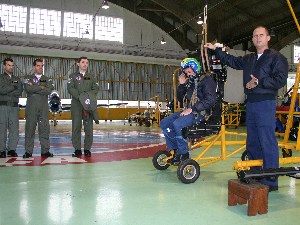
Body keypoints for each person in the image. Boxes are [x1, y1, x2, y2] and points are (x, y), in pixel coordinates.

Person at [205, 26, 288, 191]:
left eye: (261, 35)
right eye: (255, 36)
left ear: (268, 38)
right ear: (253, 39)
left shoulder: (277, 58)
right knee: (252, 141)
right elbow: (233, 62)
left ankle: (271, 181)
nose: (258, 38)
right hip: (250, 103)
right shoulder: (249, 58)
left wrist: (259, 82)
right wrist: (216, 51)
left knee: (267, 141)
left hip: (265, 102)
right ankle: (254, 175)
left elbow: (280, 80)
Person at [160, 58, 217, 165]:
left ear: (194, 67)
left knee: (178, 124)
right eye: (185, 70)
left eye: (188, 68)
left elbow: (210, 100)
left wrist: (193, 109)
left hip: (201, 113)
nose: (186, 71)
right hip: (189, 111)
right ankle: (176, 151)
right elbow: (181, 99)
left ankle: (184, 154)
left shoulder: (206, 80)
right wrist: (182, 85)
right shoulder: (190, 82)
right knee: (165, 123)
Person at [67, 57, 99, 157]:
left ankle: (87, 149)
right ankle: (77, 149)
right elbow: (70, 88)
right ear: (78, 64)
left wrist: (87, 97)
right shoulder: (73, 76)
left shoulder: (92, 77)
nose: (85, 64)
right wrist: (80, 97)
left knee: (88, 127)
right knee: (76, 127)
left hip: (88, 104)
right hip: (76, 104)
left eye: (87, 63)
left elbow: (95, 88)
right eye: (83, 62)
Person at [23, 59, 54, 158]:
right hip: (31, 108)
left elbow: (49, 91)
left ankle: (45, 151)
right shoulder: (28, 78)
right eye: (38, 66)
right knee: (29, 130)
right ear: (34, 67)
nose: (40, 67)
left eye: (41, 66)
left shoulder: (47, 79)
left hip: (43, 108)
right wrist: (41, 87)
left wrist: (35, 87)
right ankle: (28, 151)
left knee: (44, 129)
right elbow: (28, 89)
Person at [0, 58, 23, 158]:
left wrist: (9, 89)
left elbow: (20, 91)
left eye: (12, 65)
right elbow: (1, 90)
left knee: (14, 128)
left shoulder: (17, 79)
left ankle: (12, 149)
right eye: (9, 65)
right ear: (4, 66)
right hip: (3, 106)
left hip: (14, 106)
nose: (11, 67)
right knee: (2, 128)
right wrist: (13, 87)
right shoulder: (1, 78)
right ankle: (1, 150)